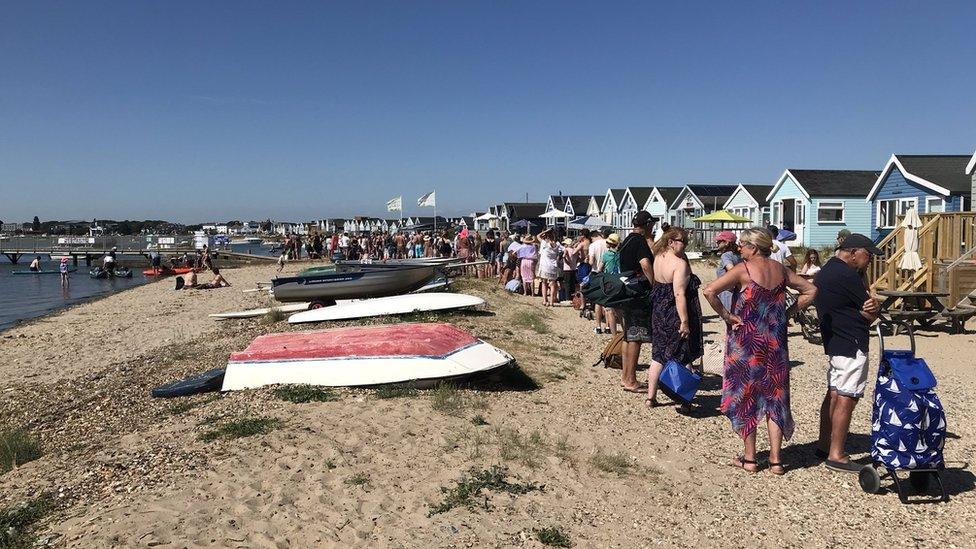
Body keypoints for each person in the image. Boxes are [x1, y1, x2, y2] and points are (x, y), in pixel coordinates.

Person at [702, 228, 816, 475]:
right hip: (775, 343)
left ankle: (750, 459)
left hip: (745, 344)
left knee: (747, 396)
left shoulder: (742, 269)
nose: (739, 248)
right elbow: (811, 290)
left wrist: (727, 316)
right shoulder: (781, 270)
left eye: (742, 244)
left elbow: (709, 290)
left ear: (753, 248)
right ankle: (776, 461)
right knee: (775, 396)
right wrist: (788, 313)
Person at [813, 233, 882, 473]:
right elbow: (871, 311)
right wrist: (874, 308)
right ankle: (837, 454)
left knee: (833, 393)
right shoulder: (846, 276)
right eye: (868, 254)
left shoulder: (828, 270)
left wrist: (870, 310)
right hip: (851, 341)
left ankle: (824, 444)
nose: (870, 260)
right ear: (853, 253)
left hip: (835, 340)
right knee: (847, 396)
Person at [646, 227, 705, 412]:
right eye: (682, 241)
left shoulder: (659, 257)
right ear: (671, 242)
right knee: (682, 353)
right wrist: (685, 321)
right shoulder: (679, 264)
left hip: (658, 309)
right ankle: (685, 400)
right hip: (673, 311)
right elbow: (679, 294)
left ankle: (650, 397)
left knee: (658, 355)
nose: (685, 245)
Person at [617, 211, 657, 393]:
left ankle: (625, 377)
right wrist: (654, 284)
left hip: (626, 292)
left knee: (628, 336)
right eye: (652, 224)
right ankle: (631, 380)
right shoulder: (639, 241)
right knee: (636, 337)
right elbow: (645, 264)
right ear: (647, 224)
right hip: (637, 294)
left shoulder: (626, 240)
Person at [714, 231, 742, 313]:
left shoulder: (726, 255)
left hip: (728, 292)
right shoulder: (738, 254)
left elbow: (732, 270)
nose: (717, 243)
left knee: (730, 319)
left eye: (719, 241)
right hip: (738, 292)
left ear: (726, 242)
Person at [588, 230, 609, 333]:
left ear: (594, 236)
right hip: (608, 274)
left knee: (598, 302)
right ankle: (608, 326)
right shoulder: (608, 243)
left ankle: (598, 326)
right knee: (607, 301)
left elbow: (591, 262)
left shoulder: (593, 245)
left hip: (597, 273)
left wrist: (587, 261)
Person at [600, 233, 621, 334]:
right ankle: (624, 333)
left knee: (609, 310)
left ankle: (614, 335)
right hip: (619, 281)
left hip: (609, 282)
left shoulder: (606, 255)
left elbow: (600, 268)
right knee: (619, 310)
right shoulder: (620, 254)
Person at [537, 230, 562, 306]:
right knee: (552, 284)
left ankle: (545, 300)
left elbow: (538, 236)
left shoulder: (544, 243)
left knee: (544, 283)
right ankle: (552, 301)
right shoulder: (557, 245)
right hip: (553, 266)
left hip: (545, 266)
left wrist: (544, 231)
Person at [561, 237, 580, 302]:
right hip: (574, 268)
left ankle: (567, 298)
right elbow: (578, 258)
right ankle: (572, 298)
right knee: (572, 284)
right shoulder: (575, 250)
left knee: (567, 284)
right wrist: (574, 263)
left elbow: (563, 256)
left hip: (567, 269)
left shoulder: (566, 249)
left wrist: (567, 261)